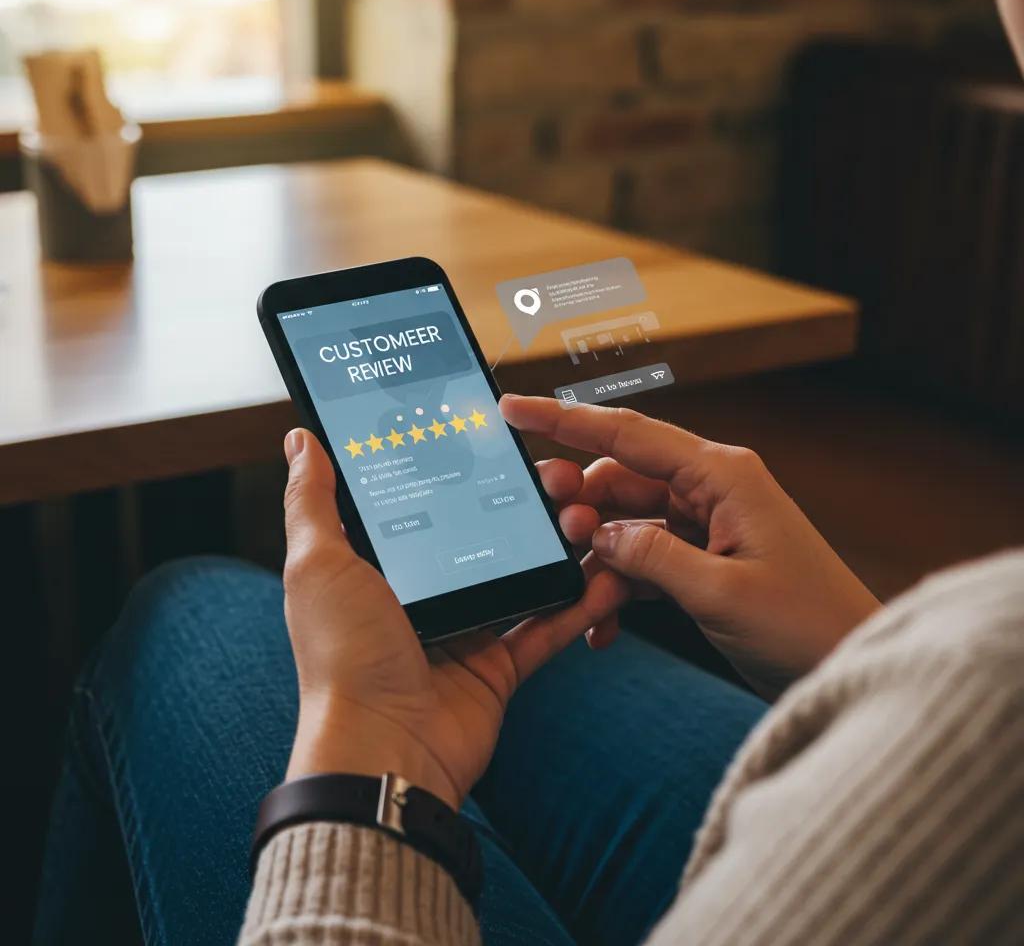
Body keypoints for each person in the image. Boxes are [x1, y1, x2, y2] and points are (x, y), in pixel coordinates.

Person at [34, 393, 1023, 946]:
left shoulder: (990, 691)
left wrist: (375, 744)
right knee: (541, 656)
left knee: (190, 607)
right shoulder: (981, 674)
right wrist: (866, 660)